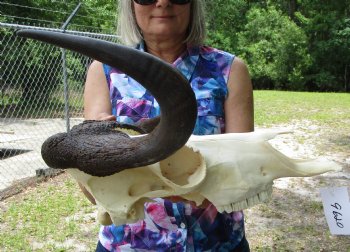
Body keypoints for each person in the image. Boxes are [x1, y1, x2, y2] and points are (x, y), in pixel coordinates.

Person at [82, 0, 254, 251]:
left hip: (217, 242)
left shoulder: (229, 70)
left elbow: (242, 167)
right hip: (129, 244)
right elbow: (93, 187)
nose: (162, 2)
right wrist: (90, 156)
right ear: (130, 6)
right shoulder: (105, 71)